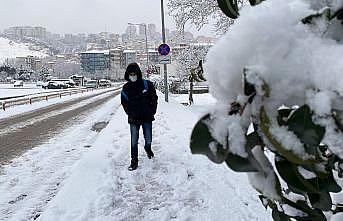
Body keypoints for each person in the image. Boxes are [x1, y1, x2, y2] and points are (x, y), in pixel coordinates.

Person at [121, 63, 158, 171]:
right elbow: (124, 102)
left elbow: (154, 98)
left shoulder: (147, 85)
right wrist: (130, 113)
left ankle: (148, 148)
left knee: (148, 138)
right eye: (130, 74)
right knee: (133, 141)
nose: (133, 76)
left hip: (147, 116)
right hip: (134, 119)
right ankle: (134, 160)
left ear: (138, 74)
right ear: (128, 75)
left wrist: (152, 111)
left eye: (134, 74)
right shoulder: (126, 88)